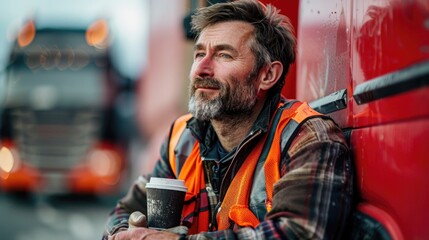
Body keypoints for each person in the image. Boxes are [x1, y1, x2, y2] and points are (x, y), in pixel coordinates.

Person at [102, 0, 354, 239]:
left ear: (267, 75)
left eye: (224, 55)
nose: (202, 69)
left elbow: (299, 233)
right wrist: (127, 234)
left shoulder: (307, 137)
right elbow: (122, 213)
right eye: (199, 54)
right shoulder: (182, 138)